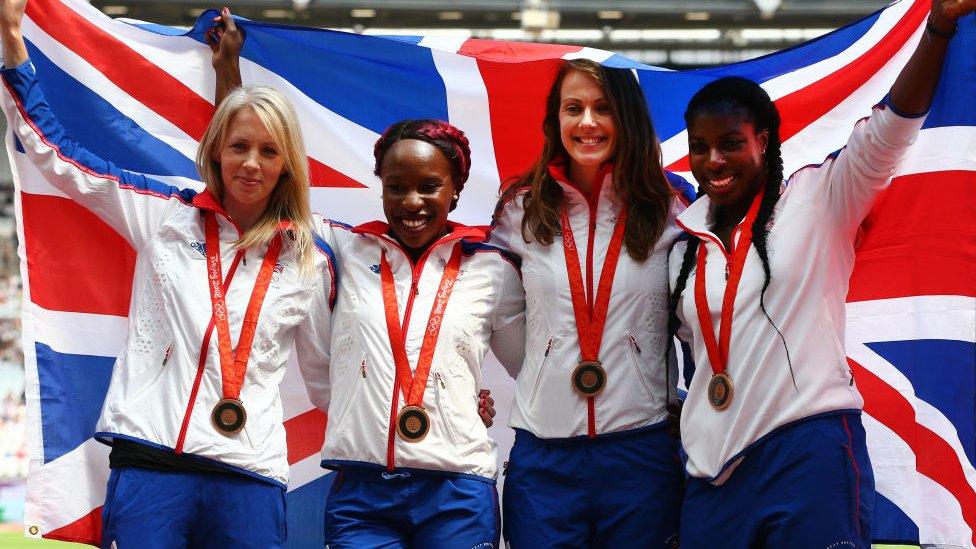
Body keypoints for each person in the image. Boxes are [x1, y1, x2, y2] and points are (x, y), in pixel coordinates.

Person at [0, 1, 335, 547]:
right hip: (152, 462)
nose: (251, 163)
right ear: (217, 151)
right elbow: (56, 154)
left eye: (269, 152)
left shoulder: (308, 256)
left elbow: (325, 378)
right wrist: (13, 40)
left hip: (249, 476)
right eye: (239, 147)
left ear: (287, 164)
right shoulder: (162, 213)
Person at [668, 1, 975, 547]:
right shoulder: (682, 245)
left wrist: (939, 28)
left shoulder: (819, 198)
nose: (713, 160)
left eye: (731, 143)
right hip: (711, 477)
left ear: (763, 139)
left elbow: (891, 128)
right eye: (699, 147)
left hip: (806, 453)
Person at [490, 58, 692, 547]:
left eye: (603, 108)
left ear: (627, 116)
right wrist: (547, 371)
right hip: (545, 455)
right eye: (572, 108)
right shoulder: (521, 206)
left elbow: (693, 319)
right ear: (555, 119)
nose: (586, 122)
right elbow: (501, 312)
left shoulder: (671, 204)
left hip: (641, 451)